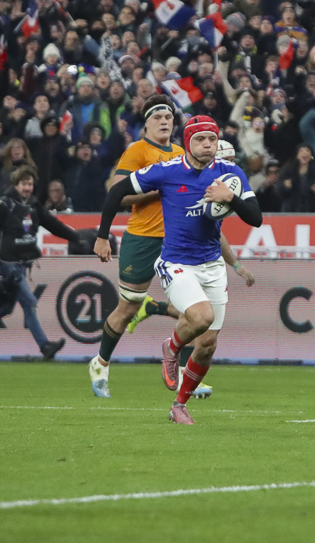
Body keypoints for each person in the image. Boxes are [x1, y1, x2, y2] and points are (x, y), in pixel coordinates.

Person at [95, 116, 263, 425]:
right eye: (201, 140)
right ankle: (172, 347)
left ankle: (179, 405)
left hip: (211, 264)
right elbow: (116, 191)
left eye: (212, 139)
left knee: (208, 345)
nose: (208, 145)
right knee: (201, 317)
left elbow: (256, 218)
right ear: (187, 142)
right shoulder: (167, 171)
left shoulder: (230, 174)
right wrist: (102, 235)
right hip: (176, 262)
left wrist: (232, 198)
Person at [87, 96, 186, 398]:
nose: (164, 121)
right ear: (146, 124)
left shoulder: (182, 152)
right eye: (157, 117)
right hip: (142, 238)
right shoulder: (137, 150)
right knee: (127, 307)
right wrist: (155, 191)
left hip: (177, 240)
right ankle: (100, 363)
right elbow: (115, 192)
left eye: (168, 116)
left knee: (194, 308)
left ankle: (184, 374)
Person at [0, 166, 79, 360]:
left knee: (5, 307)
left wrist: (75, 237)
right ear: (15, 184)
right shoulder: (3, 205)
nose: (27, 188)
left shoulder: (33, 204)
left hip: (23, 263)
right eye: (24, 184)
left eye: (30, 184)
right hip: (7, 264)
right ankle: (45, 346)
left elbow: (52, 224)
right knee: (29, 302)